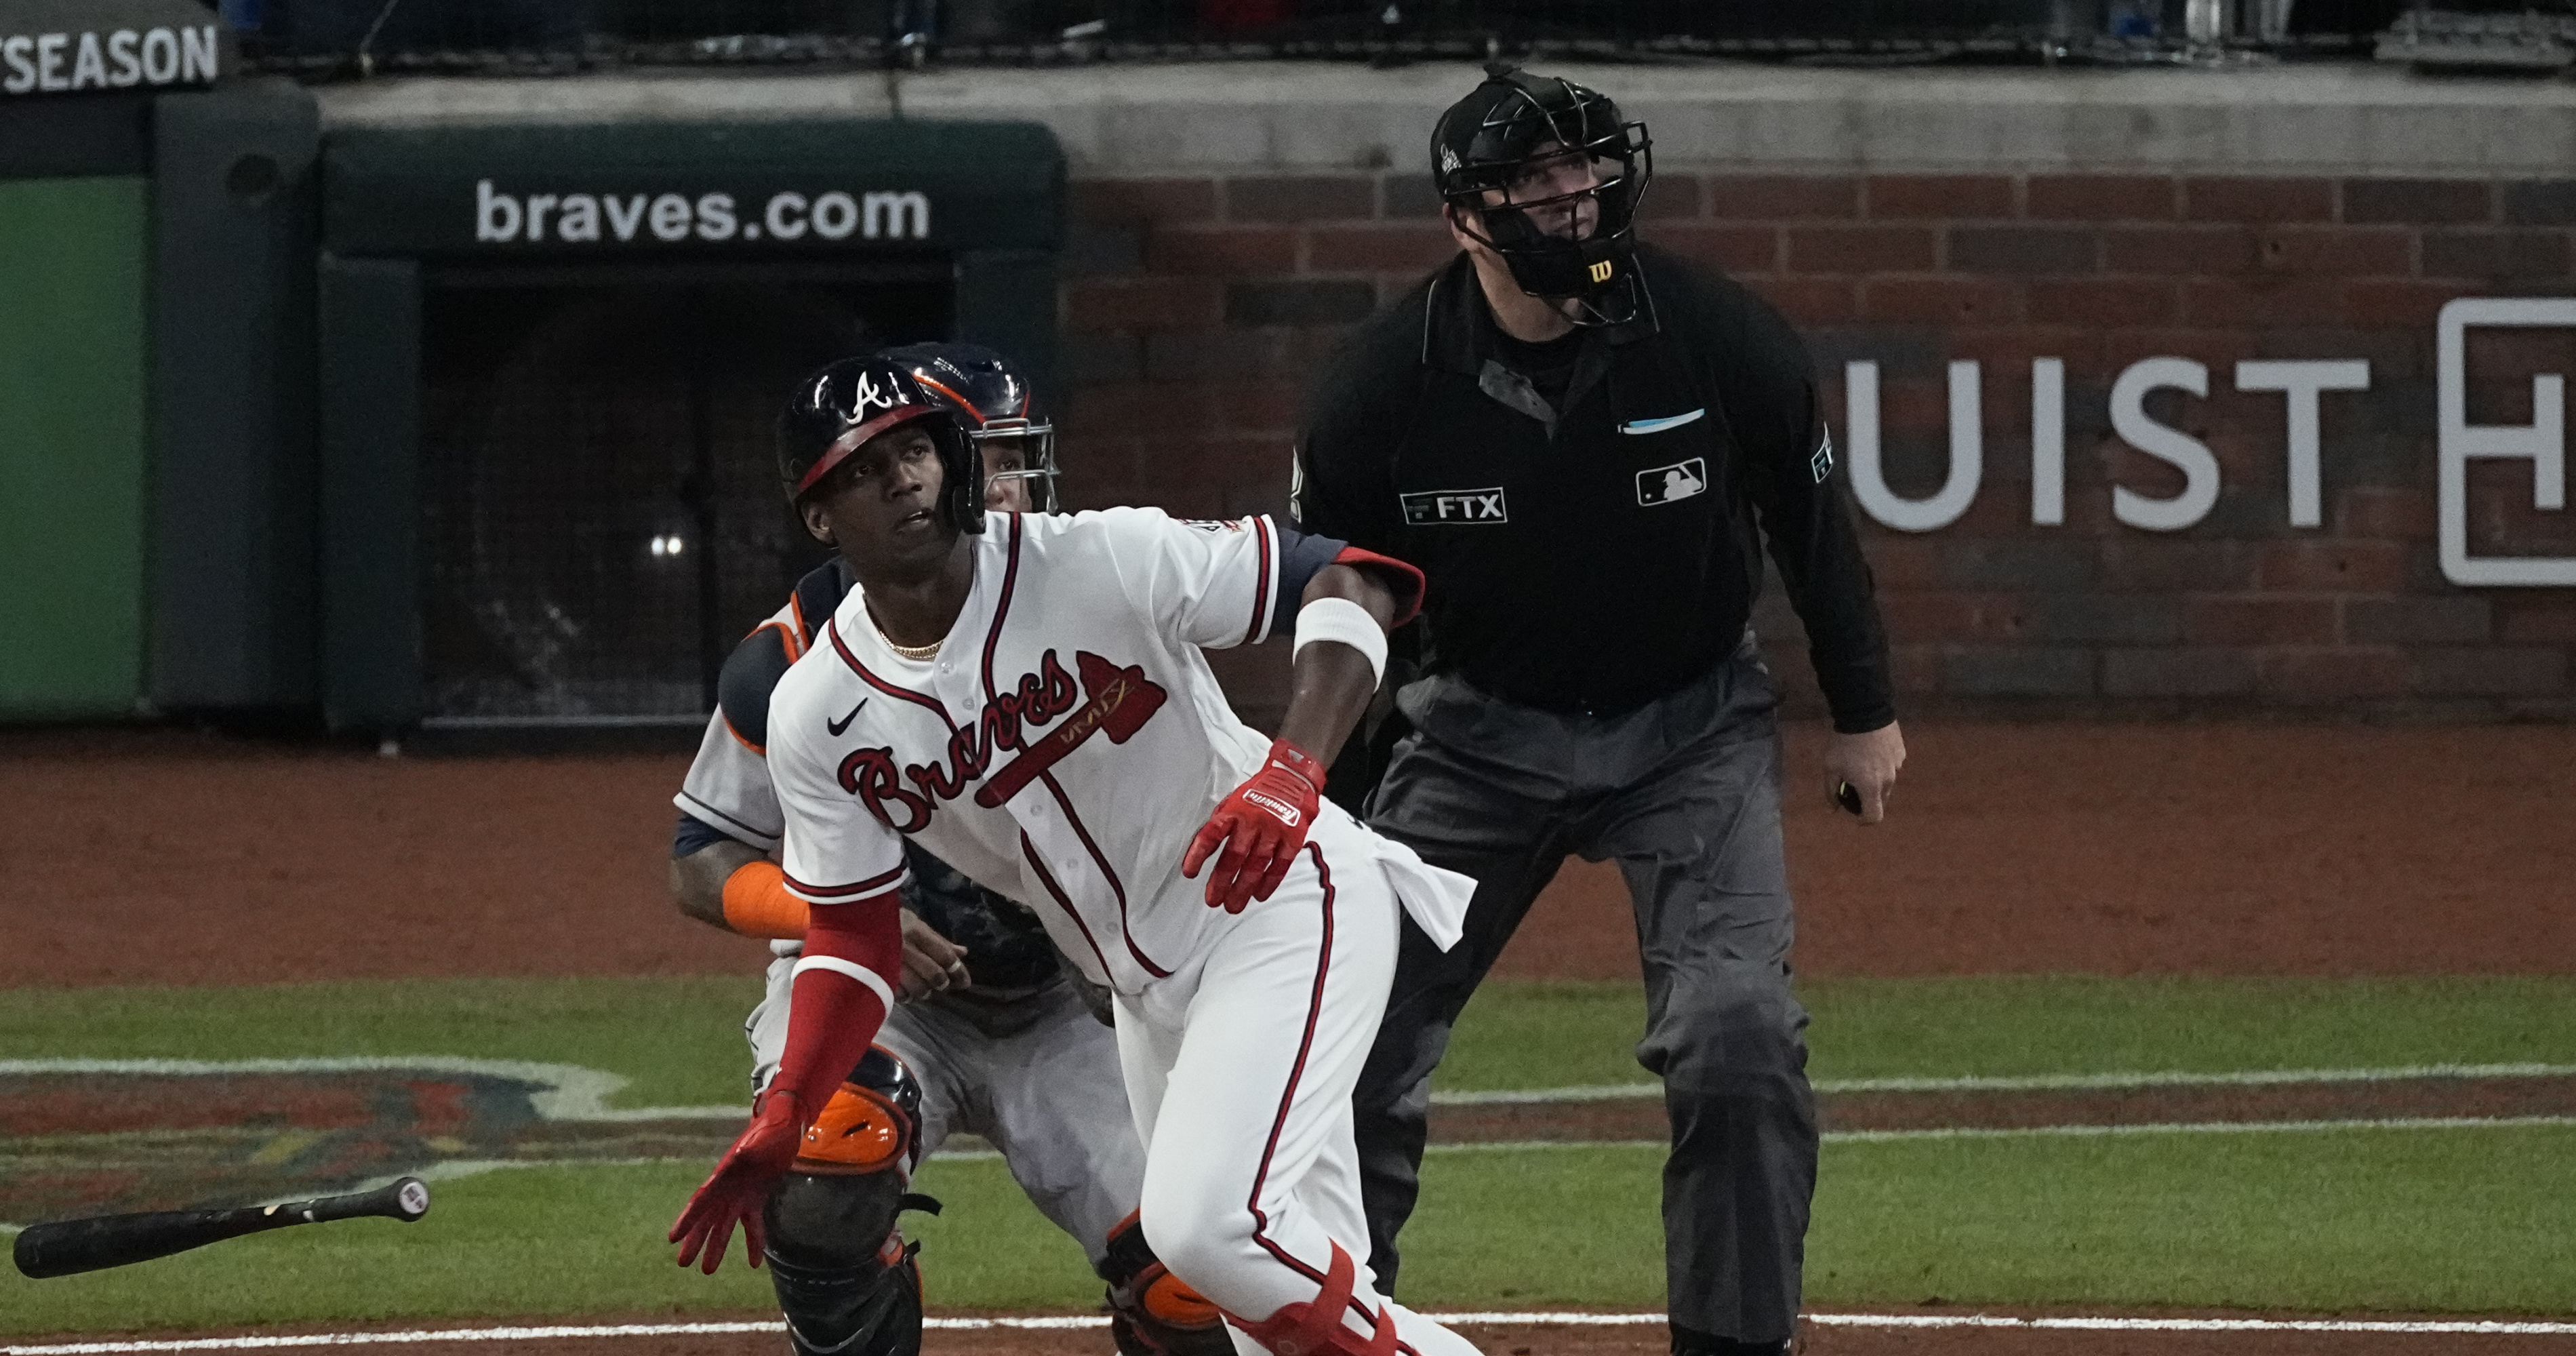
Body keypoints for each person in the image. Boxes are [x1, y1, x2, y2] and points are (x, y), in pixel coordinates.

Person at [666, 351, 1490, 1356]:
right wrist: (787, 1106)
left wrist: (1294, 771)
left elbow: (1350, 578)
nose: (905, 479)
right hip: (1142, 989)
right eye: (863, 469)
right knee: (1275, 1308)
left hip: (1279, 905)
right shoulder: (813, 706)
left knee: (1205, 1238)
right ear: (818, 517)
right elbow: (850, 937)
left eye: (919, 449)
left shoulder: (1101, 557)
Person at [1291, 67, 1908, 1356]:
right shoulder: (1380, 386)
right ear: (1470, 217)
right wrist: (1321, 799)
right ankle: (1331, 1323)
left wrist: (1866, 713)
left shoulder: (1707, 329)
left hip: (1689, 725)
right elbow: (1340, 607)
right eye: (1536, 181)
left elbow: (1809, 519)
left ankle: (1737, 1343)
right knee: (1344, 1041)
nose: (1574, 199)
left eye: (1585, 171)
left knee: (1738, 1037)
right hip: (1468, 735)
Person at [667, 343, 1227, 1356]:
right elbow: (700, 857)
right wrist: (835, 918)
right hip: (874, 997)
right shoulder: (793, 663)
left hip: (1063, 1008)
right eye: (990, 457)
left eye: (1017, 458)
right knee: (833, 1154)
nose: (1008, 487)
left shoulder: (1093, 591)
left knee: (1197, 1281)